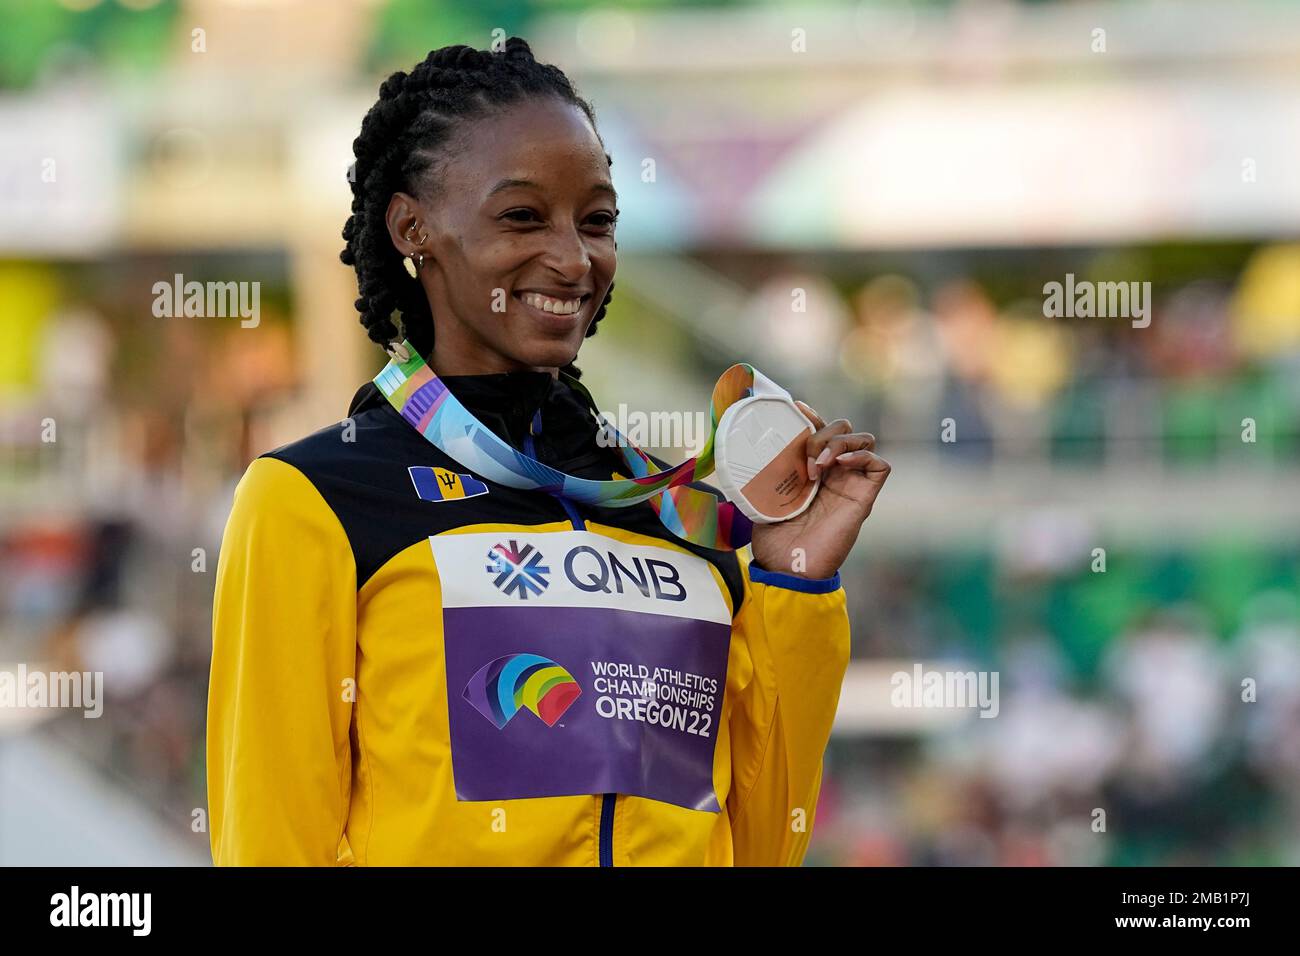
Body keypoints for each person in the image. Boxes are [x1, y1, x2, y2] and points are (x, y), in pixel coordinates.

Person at [206, 38, 890, 866]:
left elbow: (761, 840)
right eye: (523, 216)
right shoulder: (316, 499)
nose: (572, 259)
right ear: (412, 227)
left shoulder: (673, 513)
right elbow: (272, 838)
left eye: (596, 220)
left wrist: (794, 581)